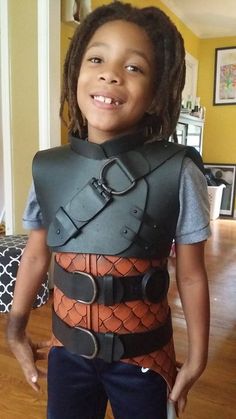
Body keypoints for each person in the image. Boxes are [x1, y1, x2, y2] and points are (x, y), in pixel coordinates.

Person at [6, 2, 210, 418]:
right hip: (67, 352)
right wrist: (16, 327)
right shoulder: (48, 168)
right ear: (75, 73)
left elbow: (191, 274)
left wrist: (198, 357)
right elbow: (36, 254)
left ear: (156, 94)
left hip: (145, 359)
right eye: (96, 58)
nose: (111, 73)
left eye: (134, 67)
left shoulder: (180, 171)